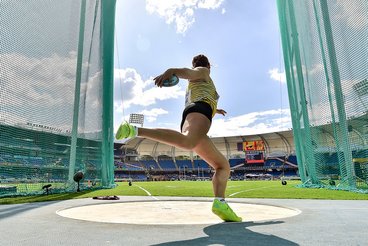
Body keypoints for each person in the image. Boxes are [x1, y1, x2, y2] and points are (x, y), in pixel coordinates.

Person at [116, 54, 242, 222]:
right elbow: (188, 73)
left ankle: (220, 202)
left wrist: (215, 110)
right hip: (199, 112)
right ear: (209, 66)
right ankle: (134, 129)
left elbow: (201, 93)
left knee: (223, 166)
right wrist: (171, 71)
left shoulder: (203, 82)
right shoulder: (203, 71)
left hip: (197, 115)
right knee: (189, 142)